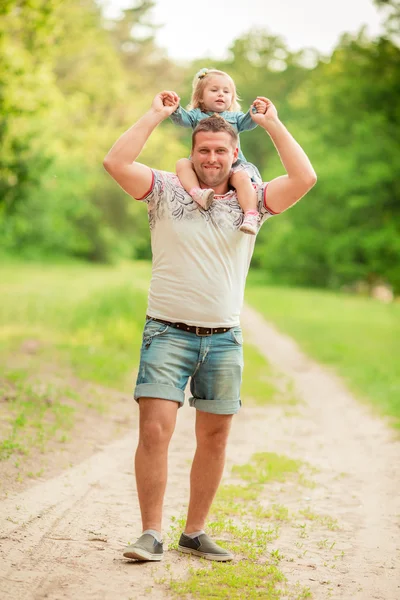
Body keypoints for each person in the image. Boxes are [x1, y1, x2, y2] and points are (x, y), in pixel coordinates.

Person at [103, 90, 316, 563]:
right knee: (155, 433)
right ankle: (150, 533)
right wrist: (155, 113)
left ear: (234, 153)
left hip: (224, 338)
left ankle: (194, 533)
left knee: (215, 437)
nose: (212, 158)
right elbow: (115, 162)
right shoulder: (164, 187)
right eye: (204, 150)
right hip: (166, 332)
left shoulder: (253, 198)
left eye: (221, 150)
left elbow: (305, 177)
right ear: (192, 152)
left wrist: (275, 124)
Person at [167, 67, 267, 235]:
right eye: (214, 90)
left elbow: (249, 123)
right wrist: (174, 108)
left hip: (232, 165)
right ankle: (197, 193)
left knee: (242, 177)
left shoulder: (235, 118)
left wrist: (256, 111)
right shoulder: (196, 115)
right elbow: (181, 119)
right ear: (200, 96)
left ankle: (251, 215)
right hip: (202, 164)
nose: (221, 94)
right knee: (182, 164)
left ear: (232, 98)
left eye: (226, 92)